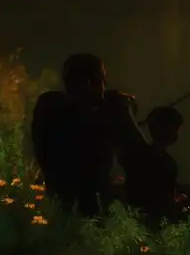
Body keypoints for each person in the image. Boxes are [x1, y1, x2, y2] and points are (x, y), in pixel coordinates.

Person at [31, 53, 145, 216]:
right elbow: (141, 156)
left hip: (61, 205)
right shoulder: (55, 109)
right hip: (81, 207)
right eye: (102, 80)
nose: (104, 87)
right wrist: (122, 110)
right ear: (90, 83)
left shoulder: (54, 108)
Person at [123, 105, 190, 220]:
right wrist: (181, 203)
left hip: (135, 220)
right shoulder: (168, 164)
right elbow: (167, 202)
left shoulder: (137, 155)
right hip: (155, 222)